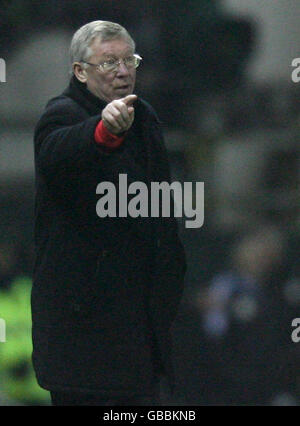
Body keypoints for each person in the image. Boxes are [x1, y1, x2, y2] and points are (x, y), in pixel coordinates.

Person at [31, 20, 186, 406]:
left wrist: (171, 271)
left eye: (129, 60)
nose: (123, 71)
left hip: (139, 335)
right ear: (80, 71)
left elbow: (158, 207)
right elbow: (58, 153)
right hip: (84, 341)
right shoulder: (62, 114)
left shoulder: (144, 117)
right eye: (108, 62)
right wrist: (103, 132)